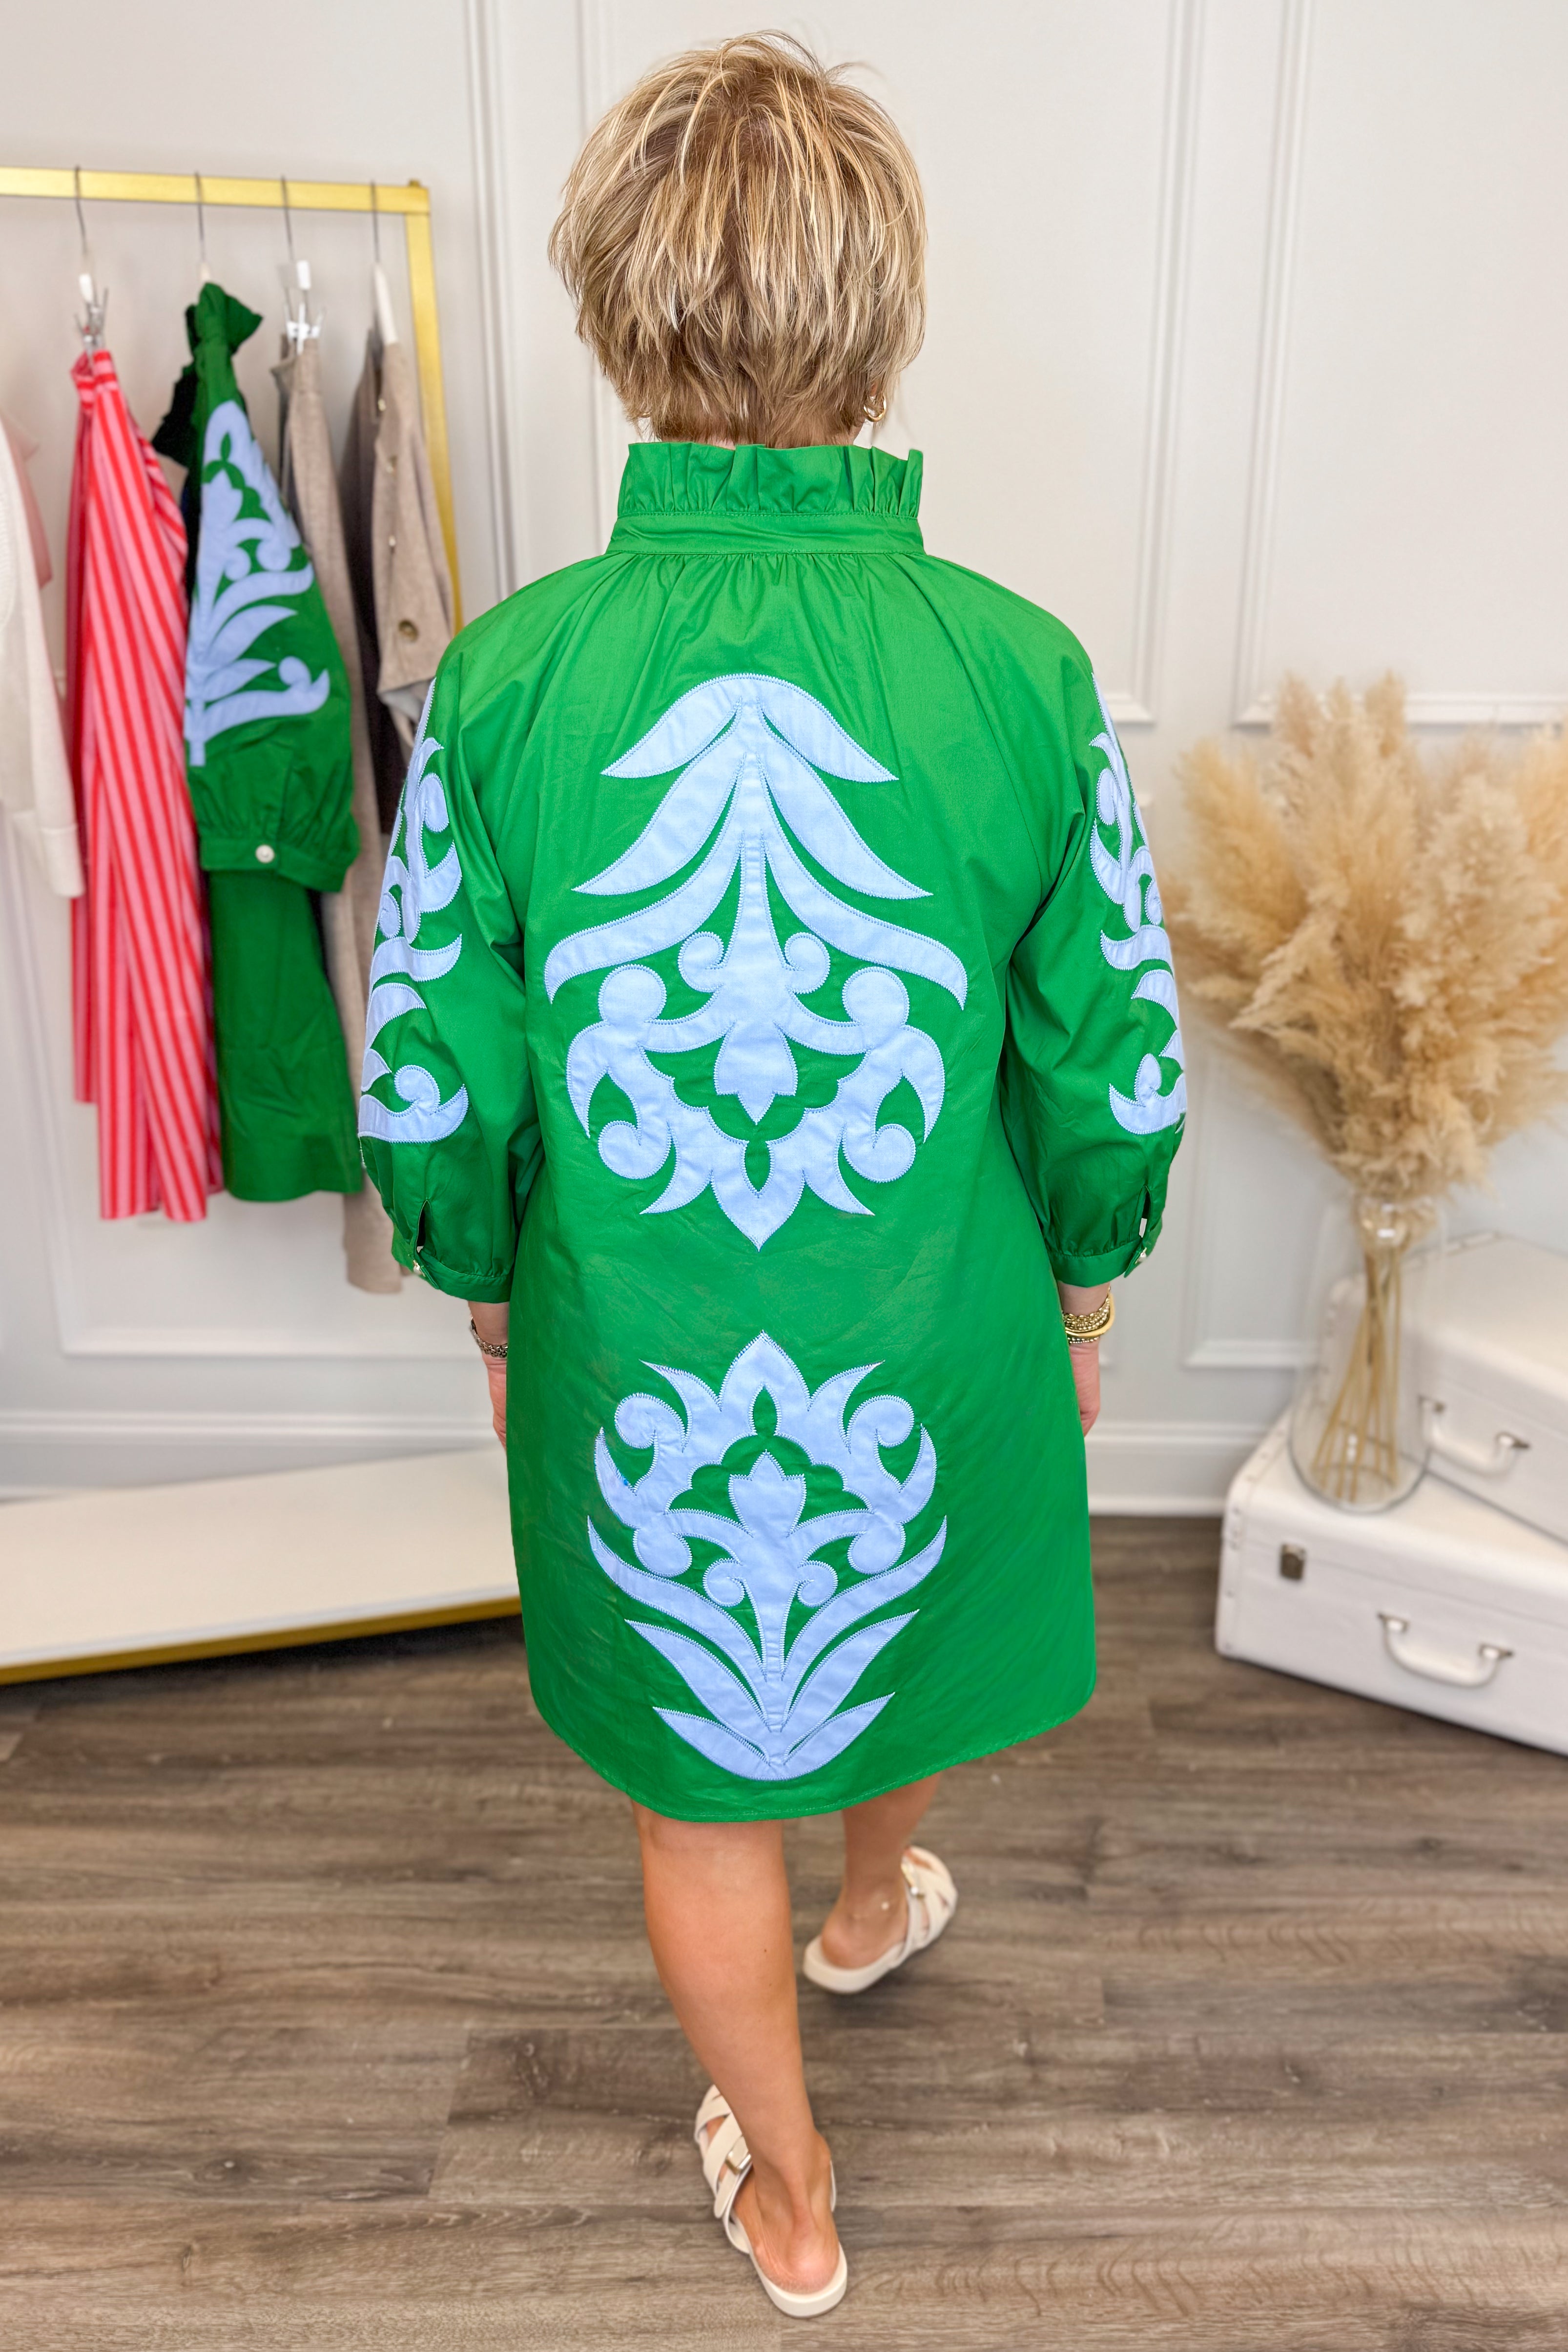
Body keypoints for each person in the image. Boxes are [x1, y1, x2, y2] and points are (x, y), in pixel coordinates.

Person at [361, 32, 1185, 2318]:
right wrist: (1086, 1290)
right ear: (880, 311)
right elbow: (1109, 1051)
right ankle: (866, 1910)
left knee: (698, 1761)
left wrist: (490, 1284)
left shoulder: (509, 677)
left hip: (632, 1333)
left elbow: (430, 1062)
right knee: (888, 1611)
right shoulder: (1020, 669)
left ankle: (796, 2197)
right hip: (936, 1312)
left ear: (615, 315)